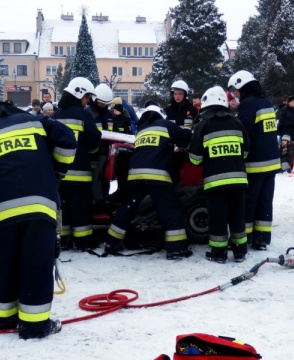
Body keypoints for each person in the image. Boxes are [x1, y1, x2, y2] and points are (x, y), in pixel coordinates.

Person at [0, 101, 77, 340]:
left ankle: (4, 320)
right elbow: (67, 139)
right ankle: (34, 326)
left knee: (4, 264)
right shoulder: (36, 122)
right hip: (38, 205)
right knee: (36, 263)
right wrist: (57, 170)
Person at [104, 105, 193, 260]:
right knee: (171, 209)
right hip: (157, 175)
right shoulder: (166, 126)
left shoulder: (141, 132)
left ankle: (111, 242)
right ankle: (176, 249)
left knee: (128, 208)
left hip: (134, 176)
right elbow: (185, 138)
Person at [188, 86, 249, 263]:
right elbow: (245, 152)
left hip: (216, 184)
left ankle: (218, 254)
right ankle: (240, 252)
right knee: (238, 218)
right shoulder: (237, 122)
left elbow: (195, 158)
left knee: (218, 219)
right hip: (239, 181)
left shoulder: (203, 125)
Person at [228, 70, 280, 251]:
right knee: (265, 201)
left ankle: (246, 237)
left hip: (254, 164)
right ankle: (262, 239)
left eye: (236, 90)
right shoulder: (266, 102)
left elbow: (242, 132)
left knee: (249, 202)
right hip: (272, 163)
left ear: (242, 87)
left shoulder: (248, 105)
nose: (236, 94)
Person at [53, 77, 102, 251]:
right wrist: (91, 154)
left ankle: (64, 240)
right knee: (81, 210)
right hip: (80, 174)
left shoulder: (56, 115)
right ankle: (83, 243)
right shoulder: (83, 114)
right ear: (79, 94)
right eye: (87, 97)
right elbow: (94, 141)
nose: (87, 101)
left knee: (63, 209)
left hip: (59, 174)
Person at [277, 95, 294, 166]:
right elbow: (282, 120)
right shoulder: (284, 110)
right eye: (292, 101)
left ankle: (293, 163)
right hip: (287, 133)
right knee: (286, 149)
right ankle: (285, 163)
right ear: (288, 102)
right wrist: (291, 123)